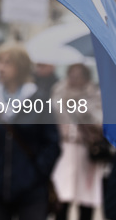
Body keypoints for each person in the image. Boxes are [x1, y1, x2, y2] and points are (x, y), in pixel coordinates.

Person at [0, 42, 61, 220]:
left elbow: (52, 142)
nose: (1, 67)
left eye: (8, 62)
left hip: (31, 190)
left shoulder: (37, 98)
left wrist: (37, 172)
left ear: (21, 67)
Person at [51, 63, 105, 220]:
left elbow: (101, 121)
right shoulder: (59, 92)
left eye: (78, 75)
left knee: (86, 195)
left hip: (86, 149)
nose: (74, 79)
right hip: (64, 148)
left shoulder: (95, 95)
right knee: (62, 192)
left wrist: (83, 110)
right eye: (71, 74)